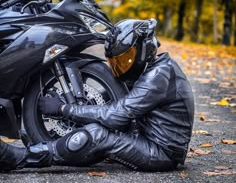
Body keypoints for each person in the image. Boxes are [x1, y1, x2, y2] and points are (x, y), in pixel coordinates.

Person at [0, 18, 194, 172]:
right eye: (116, 62)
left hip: (161, 153)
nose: (121, 67)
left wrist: (63, 108)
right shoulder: (158, 68)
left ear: (145, 49)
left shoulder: (158, 76)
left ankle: (20, 158)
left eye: (126, 60)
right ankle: (51, 146)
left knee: (98, 134)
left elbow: (115, 115)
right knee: (99, 128)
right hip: (145, 135)